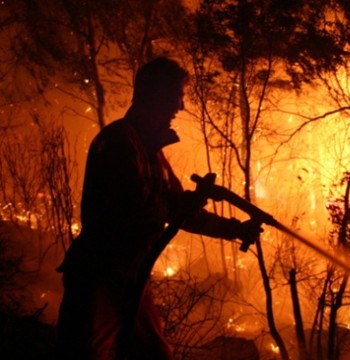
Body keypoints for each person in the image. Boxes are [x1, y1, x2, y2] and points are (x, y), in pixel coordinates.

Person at [55, 57, 261, 359]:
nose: (181, 106)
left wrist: (235, 229)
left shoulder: (148, 151)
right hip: (99, 277)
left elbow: (182, 211)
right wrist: (180, 204)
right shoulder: (117, 143)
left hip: (132, 278)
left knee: (153, 354)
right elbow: (136, 207)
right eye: (177, 96)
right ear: (157, 95)